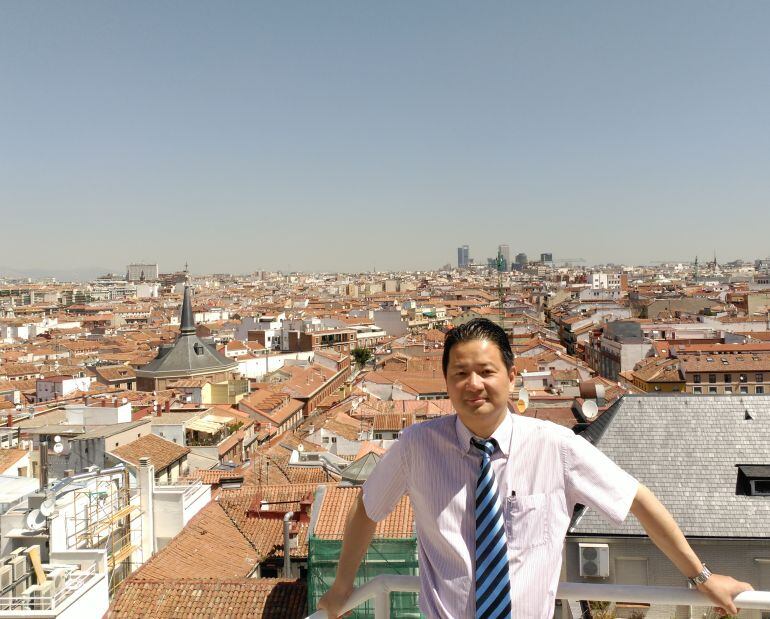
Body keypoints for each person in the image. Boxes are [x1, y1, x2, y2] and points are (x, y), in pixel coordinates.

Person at [318, 318, 752, 618]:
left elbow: (636, 499)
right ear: (447, 382)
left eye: (486, 371)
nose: (474, 384)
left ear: (512, 374)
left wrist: (701, 577)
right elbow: (367, 509)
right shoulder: (417, 446)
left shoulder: (555, 446)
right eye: (460, 373)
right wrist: (341, 586)